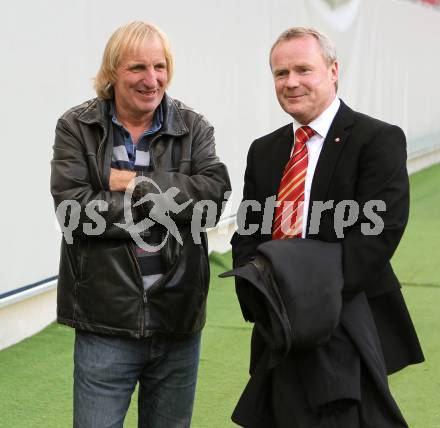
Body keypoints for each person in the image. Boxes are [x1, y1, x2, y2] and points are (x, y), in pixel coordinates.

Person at [230, 27, 424, 427]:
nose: (291, 82)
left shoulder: (377, 139)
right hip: (277, 326)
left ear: (334, 71)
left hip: (343, 322)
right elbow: (248, 232)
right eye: (281, 73)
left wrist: (312, 301)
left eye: (304, 69)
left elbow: (378, 233)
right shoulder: (264, 150)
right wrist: (260, 298)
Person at [50, 21, 231, 428]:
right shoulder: (76, 127)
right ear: (113, 71)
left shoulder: (193, 126)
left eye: (160, 66)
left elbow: (213, 198)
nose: (152, 81)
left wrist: (130, 183)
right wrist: (173, 202)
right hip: (105, 321)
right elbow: (74, 212)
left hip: (177, 318)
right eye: (137, 68)